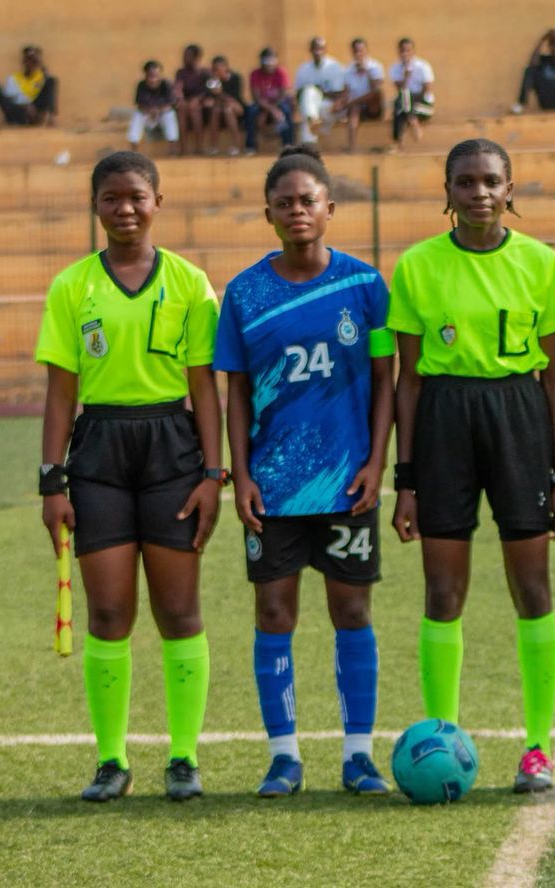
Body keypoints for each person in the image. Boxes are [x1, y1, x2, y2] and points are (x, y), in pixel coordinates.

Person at [34, 151, 222, 802]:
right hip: (100, 456)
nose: (125, 209)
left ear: (158, 202)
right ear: (96, 207)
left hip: (172, 449)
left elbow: (205, 386)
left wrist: (213, 474)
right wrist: (50, 482)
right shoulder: (71, 287)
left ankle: (183, 759)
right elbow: (61, 393)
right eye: (112, 198)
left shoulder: (192, 283)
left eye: (137, 196)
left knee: (178, 610)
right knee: (110, 612)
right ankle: (111, 761)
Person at [388, 139, 555, 793]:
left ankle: (537, 748)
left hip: (518, 419)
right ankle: (441, 734)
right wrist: (404, 480)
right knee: (443, 593)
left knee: (533, 590)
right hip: (443, 421)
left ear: (510, 187)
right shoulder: (415, 267)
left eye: (491, 181)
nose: (479, 193)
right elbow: (406, 381)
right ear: (448, 193)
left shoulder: (542, 265)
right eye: (465, 183)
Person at [214, 144, 396, 798]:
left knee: (351, 608)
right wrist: (241, 472)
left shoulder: (365, 287)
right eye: (285, 201)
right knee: (273, 610)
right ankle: (284, 757)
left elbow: (384, 380)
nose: (297, 210)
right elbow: (233, 390)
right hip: (275, 485)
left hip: (348, 482)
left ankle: (359, 756)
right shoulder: (243, 294)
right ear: (268, 212)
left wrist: (377, 461)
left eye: (308, 200)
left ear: (330, 209)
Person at [0, 45, 58, 127]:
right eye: (27, 59)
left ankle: (52, 119)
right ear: (23, 61)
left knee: (53, 81)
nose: (29, 63)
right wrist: (24, 106)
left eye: (33, 61)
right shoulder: (14, 78)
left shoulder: (43, 77)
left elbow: (47, 95)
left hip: (34, 114)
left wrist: (40, 65)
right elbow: (9, 100)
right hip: (16, 112)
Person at [295, 36, 347, 145]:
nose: (318, 52)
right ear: (310, 50)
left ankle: (312, 119)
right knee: (308, 93)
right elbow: (298, 94)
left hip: (330, 107)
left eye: (321, 48)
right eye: (315, 48)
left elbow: (339, 93)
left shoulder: (334, 67)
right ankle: (310, 144)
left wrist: (320, 92)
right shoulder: (303, 69)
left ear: (325, 50)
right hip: (312, 108)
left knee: (310, 98)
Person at [245, 48, 294, 154]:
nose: (269, 64)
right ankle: (251, 145)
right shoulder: (255, 74)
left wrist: (274, 109)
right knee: (251, 111)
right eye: (266, 60)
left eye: (271, 60)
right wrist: (271, 110)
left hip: (278, 103)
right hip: (262, 104)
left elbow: (283, 94)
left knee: (286, 110)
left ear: (276, 60)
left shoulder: (281, 72)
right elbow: (256, 98)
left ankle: (288, 144)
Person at [390, 37, 435, 148]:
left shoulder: (423, 66)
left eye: (408, 50)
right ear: (399, 52)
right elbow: (400, 90)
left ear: (413, 51)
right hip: (407, 106)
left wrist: (410, 99)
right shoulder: (395, 68)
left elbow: (427, 90)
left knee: (402, 103)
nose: (405, 53)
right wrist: (405, 77)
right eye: (402, 50)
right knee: (401, 103)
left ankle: (398, 141)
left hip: (424, 106)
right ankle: (411, 123)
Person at [341, 38, 384, 153]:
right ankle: (352, 146)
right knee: (354, 110)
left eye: (361, 51)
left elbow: (376, 90)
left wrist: (367, 72)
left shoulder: (375, 67)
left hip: (372, 106)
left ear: (366, 51)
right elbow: (346, 92)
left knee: (376, 94)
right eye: (356, 51)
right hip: (357, 107)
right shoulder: (348, 70)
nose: (359, 54)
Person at [127, 61, 179, 153]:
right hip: (147, 114)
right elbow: (140, 105)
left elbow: (171, 103)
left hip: (162, 114)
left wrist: (157, 110)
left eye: (156, 75)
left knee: (170, 115)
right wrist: (150, 111)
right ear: (146, 74)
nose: (154, 78)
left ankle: (173, 149)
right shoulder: (141, 85)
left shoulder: (166, 84)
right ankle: (133, 149)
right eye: (151, 75)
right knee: (137, 116)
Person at [203, 56, 246, 156]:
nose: (217, 72)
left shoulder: (235, 78)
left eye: (219, 69)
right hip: (220, 108)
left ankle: (236, 145)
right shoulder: (212, 81)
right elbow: (209, 99)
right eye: (215, 70)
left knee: (228, 110)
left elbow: (234, 98)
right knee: (216, 110)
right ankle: (214, 146)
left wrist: (220, 92)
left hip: (236, 107)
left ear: (226, 67)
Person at [172, 45, 210, 155]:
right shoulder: (181, 72)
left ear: (196, 58)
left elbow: (208, 91)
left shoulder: (205, 73)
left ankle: (200, 147)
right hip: (186, 102)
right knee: (182, 108)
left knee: (194, 109)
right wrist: (180, 98)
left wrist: (198, 99)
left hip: (201, 104)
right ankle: (183, 148)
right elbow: (178, 88)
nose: (184, 58)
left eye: (187, 56)